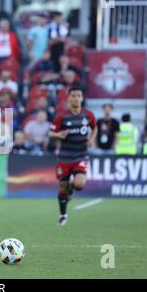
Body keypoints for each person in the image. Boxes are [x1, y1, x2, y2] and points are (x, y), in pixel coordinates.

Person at [49, 86, 96, 226]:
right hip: (65, 156)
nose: (76, 98)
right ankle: (63, 215)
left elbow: (95, 127)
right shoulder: (62, 117)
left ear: (82, 98)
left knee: (79, 184)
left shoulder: (88, 115)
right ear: (69, 98)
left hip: (81, 154)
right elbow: (51, 133)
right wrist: (59, 134)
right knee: (62, 189)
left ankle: (72, 188)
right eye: (73, 95)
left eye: (78, 95)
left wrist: (92, 139)